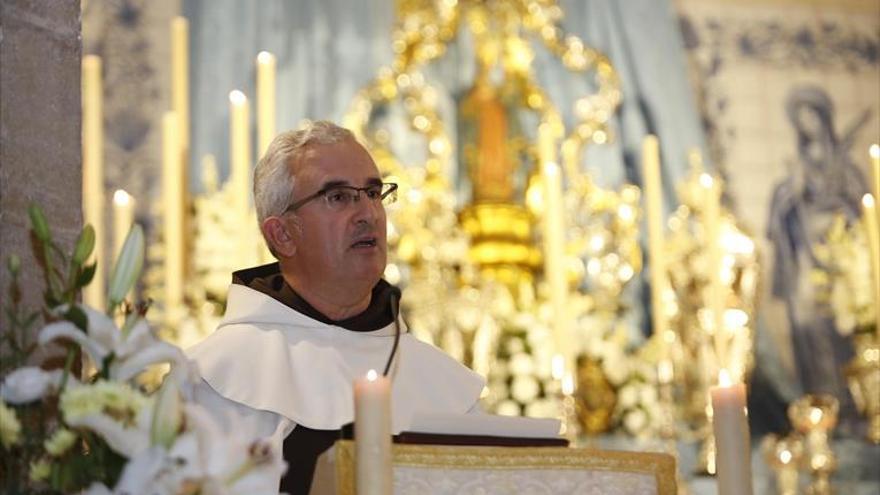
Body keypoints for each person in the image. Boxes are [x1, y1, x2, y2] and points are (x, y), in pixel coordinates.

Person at [187, 121, 485, 493]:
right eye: (338, 197)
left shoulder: (444, 386)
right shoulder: (211, 381)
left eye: (374, 193)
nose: (368, 213)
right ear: (282, 234)